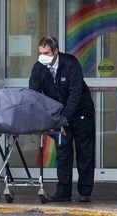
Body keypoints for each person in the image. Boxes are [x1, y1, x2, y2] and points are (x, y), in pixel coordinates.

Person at [29, 36, 95, 202]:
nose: (43, 56)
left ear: (55, 51)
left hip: (81, 114)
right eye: (40, 53)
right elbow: (34, 94)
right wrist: (43, 117)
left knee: (84, 152)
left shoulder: (70, 64)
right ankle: (63, 193)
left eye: (46, 53)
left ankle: (85, 192)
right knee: (63, 154)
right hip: (59, 117)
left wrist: (64, 116)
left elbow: (75, 92)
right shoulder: (39, 68)